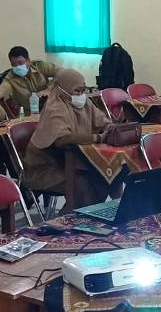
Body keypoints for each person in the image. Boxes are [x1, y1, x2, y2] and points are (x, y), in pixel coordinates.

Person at [23, 69, 113, 209]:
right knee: (83, 185)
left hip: (74, 163)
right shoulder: (55, 107)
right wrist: (97, 138)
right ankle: (68, 219)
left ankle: (89, 216)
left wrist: (111, 129)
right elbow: (63, 139)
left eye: (83, 89)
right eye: (77, 90)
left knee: (105, 178)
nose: (81, 94)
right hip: (45, 169)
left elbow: (103, 121)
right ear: (63, 90)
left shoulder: (84, 102)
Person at [0, 46, 60, 115]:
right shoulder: (10, 79)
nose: (17, 67)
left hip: (50, 108)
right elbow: (1, 91)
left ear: (28, 61)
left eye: (20, 63)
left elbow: (63, 73)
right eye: (14, 64)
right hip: (28, 114)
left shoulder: (39, 66)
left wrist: (49, 89)